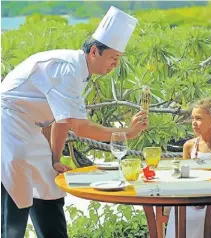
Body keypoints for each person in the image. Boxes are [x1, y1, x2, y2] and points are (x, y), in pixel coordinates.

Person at [1, 6, 147, 238]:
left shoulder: (80, 72)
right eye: (113, 58)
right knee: (16, 192)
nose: (114, 65)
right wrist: (127, 134)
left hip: (33, 128)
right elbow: (80, 127)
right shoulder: (67, 69)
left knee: (50, 186)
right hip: (9, 125)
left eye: (118, 59)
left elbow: (62, 121)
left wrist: (55, 158)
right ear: (94, 52)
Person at [165, 98, 211, 238]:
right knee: (181, 209)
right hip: (192, 195)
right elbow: (184, 175)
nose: (193, 122)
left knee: (208, 212)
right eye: (192, 118)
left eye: (198, 118)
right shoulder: (190, 145)